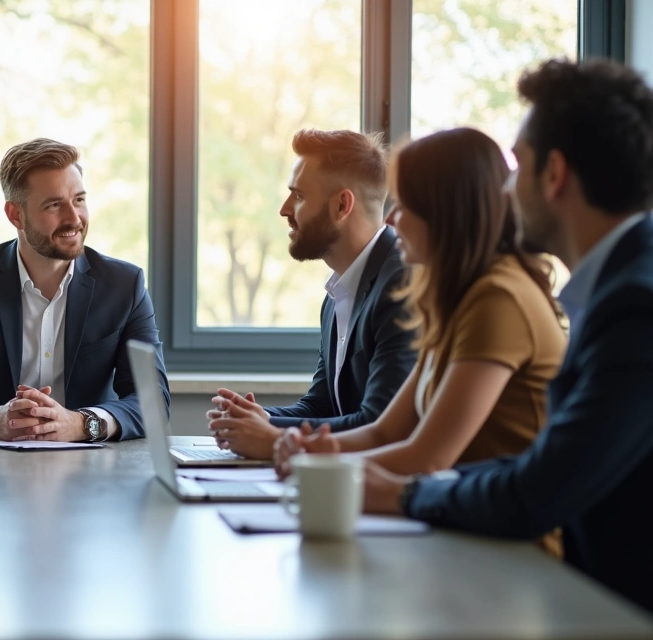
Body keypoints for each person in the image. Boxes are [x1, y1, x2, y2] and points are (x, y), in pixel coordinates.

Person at [360, 58, 653, 613]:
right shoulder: (615, 291)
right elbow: (539, 463)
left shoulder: (636, 307)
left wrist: (405, 493)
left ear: (555, 174)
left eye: (517, 167)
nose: (506, 189)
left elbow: (538, 491)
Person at [274, 127, 566, 489]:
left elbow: (427, 458)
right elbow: (384, 433)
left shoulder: (499, 297)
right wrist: (308, 450)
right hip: (456, 521)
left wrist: (310, 465)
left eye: (407, 205)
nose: (392, 220)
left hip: (511, 538)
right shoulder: (454, 299)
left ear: (448, 213)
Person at [0, 138, 168, 442]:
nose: (74, 219)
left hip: (92, 471)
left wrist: (80, 424)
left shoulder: (124, 285)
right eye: (54, 205)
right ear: (16, 215)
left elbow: (152, 401)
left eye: (79, 200)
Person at [208, 129, 416, 459]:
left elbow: (380, 423)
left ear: (342, 205)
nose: (284, 209)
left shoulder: (402, 285)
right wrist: (260, 420)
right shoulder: (337, 294)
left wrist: (274, 435)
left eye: (299, 196)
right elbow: (322, 405)